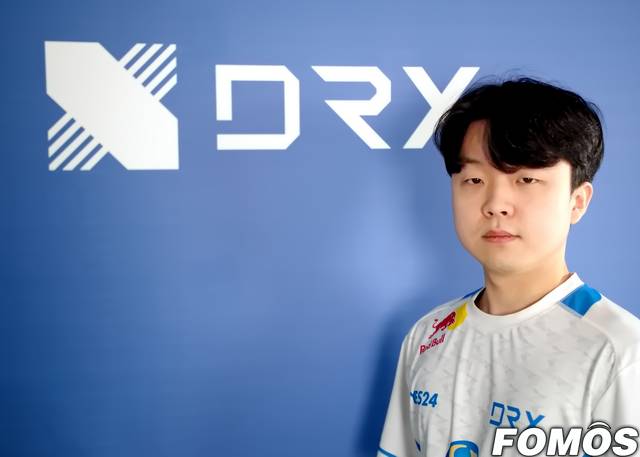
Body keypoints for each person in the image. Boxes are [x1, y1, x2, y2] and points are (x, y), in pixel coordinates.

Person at [377, 77, 640, 457]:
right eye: (474, 179)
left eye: (526, 179)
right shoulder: (429, 334)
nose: (495, 204)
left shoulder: (621, 351)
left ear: (577, 201)